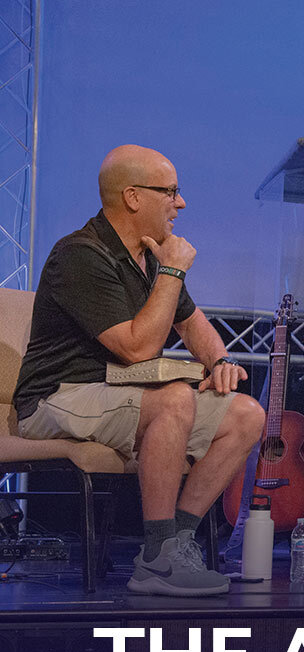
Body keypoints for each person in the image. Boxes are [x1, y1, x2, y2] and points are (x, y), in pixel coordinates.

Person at [14, 144, 265, 597]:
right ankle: (156, 559)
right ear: (133, 197)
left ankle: (177, 543)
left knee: (246, 414)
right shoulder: (80, 254)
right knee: (173, 398)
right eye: (170, 191)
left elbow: (192, 323)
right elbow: (137, 349)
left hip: (122, 395)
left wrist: (220, 361)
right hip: (60, 396)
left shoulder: (150, 257)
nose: (180, 203)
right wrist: (173, 272)